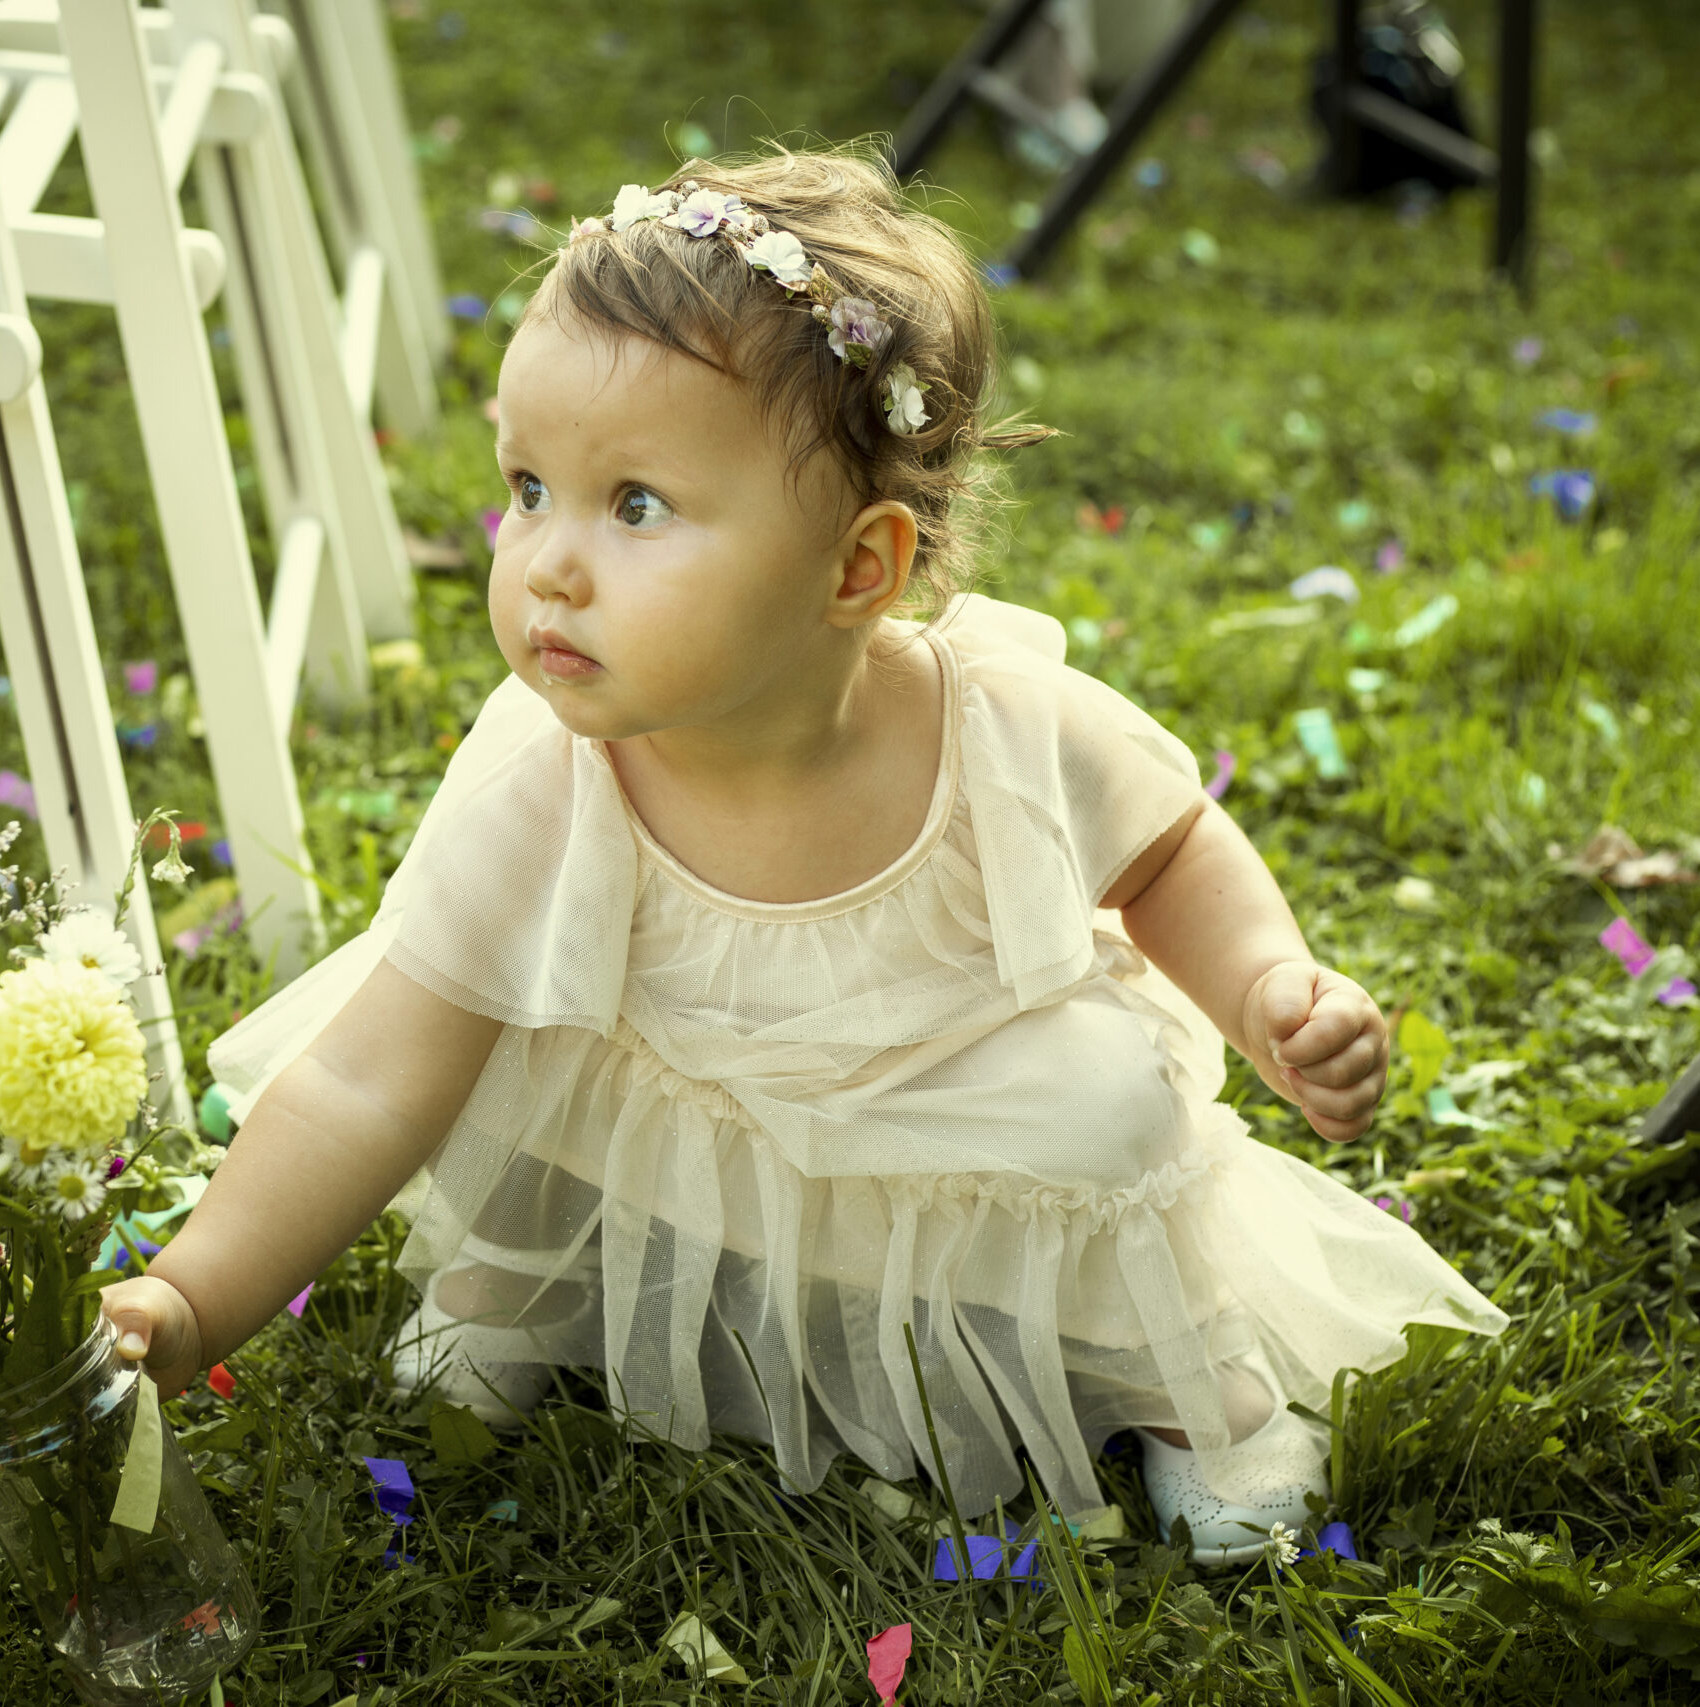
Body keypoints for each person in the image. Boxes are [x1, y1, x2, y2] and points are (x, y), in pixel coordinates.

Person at [101, 144, 1507, 1567]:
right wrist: (195, 1298)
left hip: (947, 1090)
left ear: (857, 569)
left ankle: (1182, 1390)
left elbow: (1169, 852)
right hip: (679, 1091)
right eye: (528, 488)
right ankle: (536, 1279)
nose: (548, 565)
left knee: (1112, 1121)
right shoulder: (551, 776)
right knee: (525, 1053)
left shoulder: (1004, 727)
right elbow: (365, 1077)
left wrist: (1268, 988)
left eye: (633, 505)